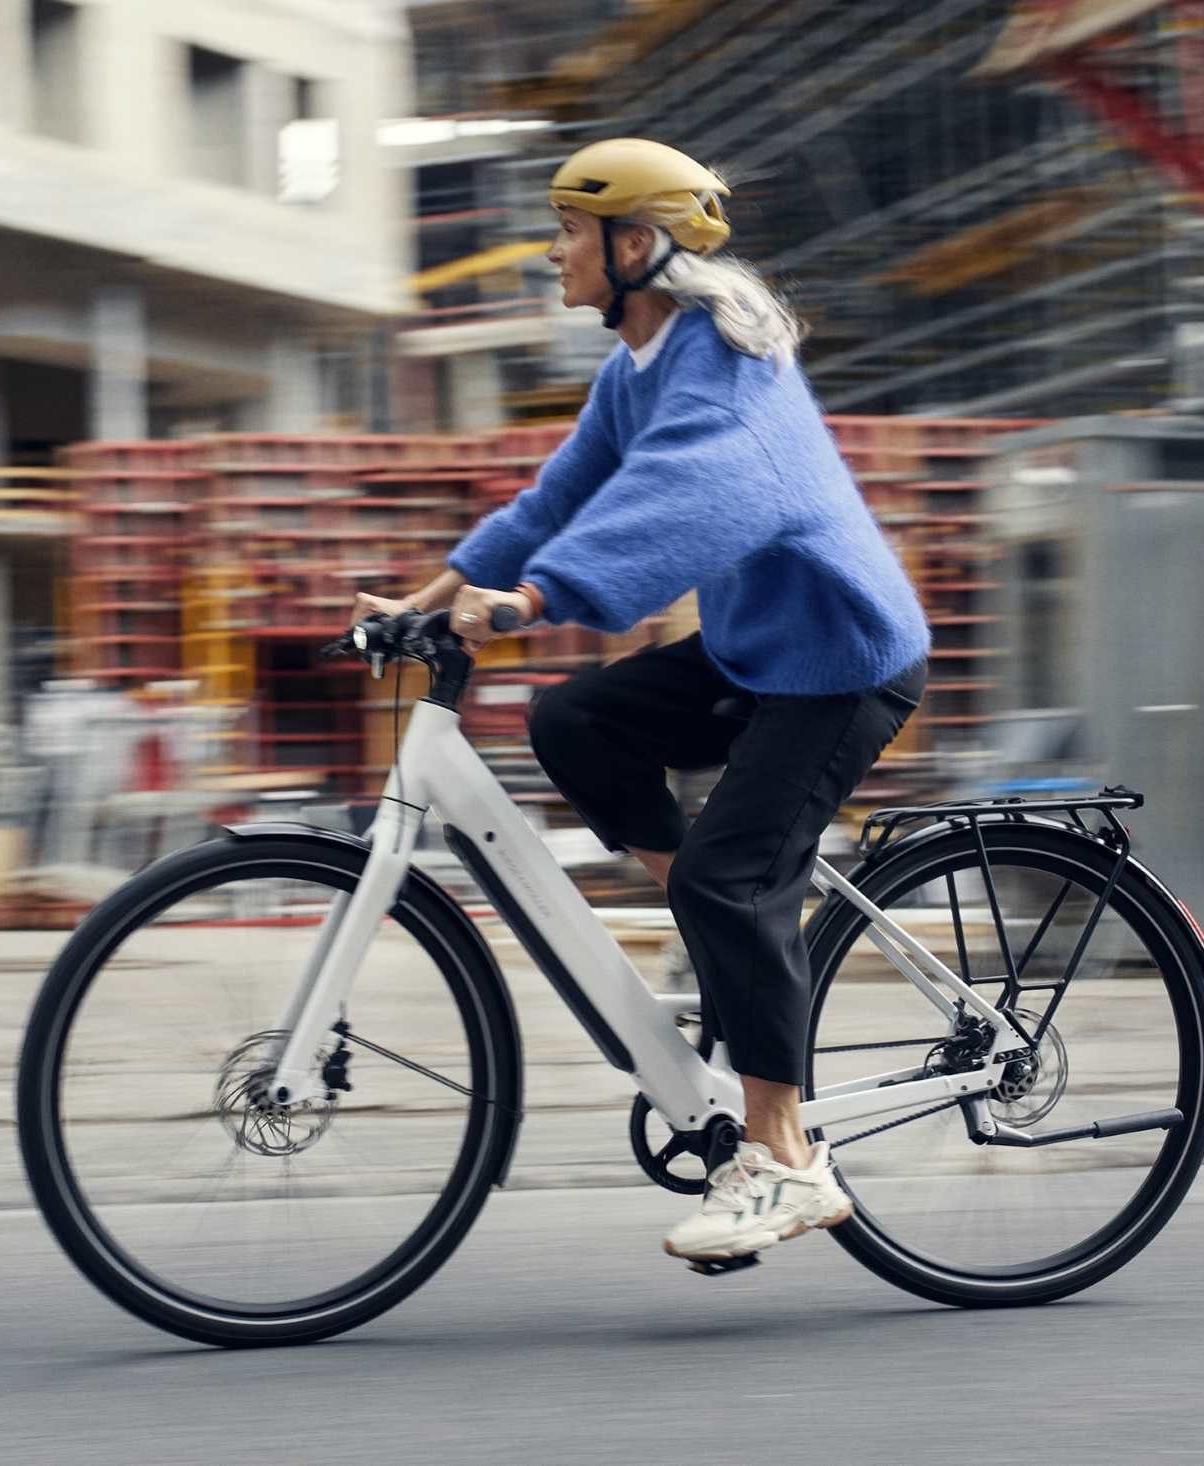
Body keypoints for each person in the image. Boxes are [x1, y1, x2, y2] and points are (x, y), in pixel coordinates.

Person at [353, 138, 929, 1268]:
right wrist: (422, 598)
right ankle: (732, 945)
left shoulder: (725, 360)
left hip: (842, 658)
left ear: (635, 244)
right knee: (575, 721)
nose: (551, 249)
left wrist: (533, 599)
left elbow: (689, 498)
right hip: (761, 649)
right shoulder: (636, 366)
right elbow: (560, 490)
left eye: (568, 229)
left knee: (728, 874)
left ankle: (786, 1161)